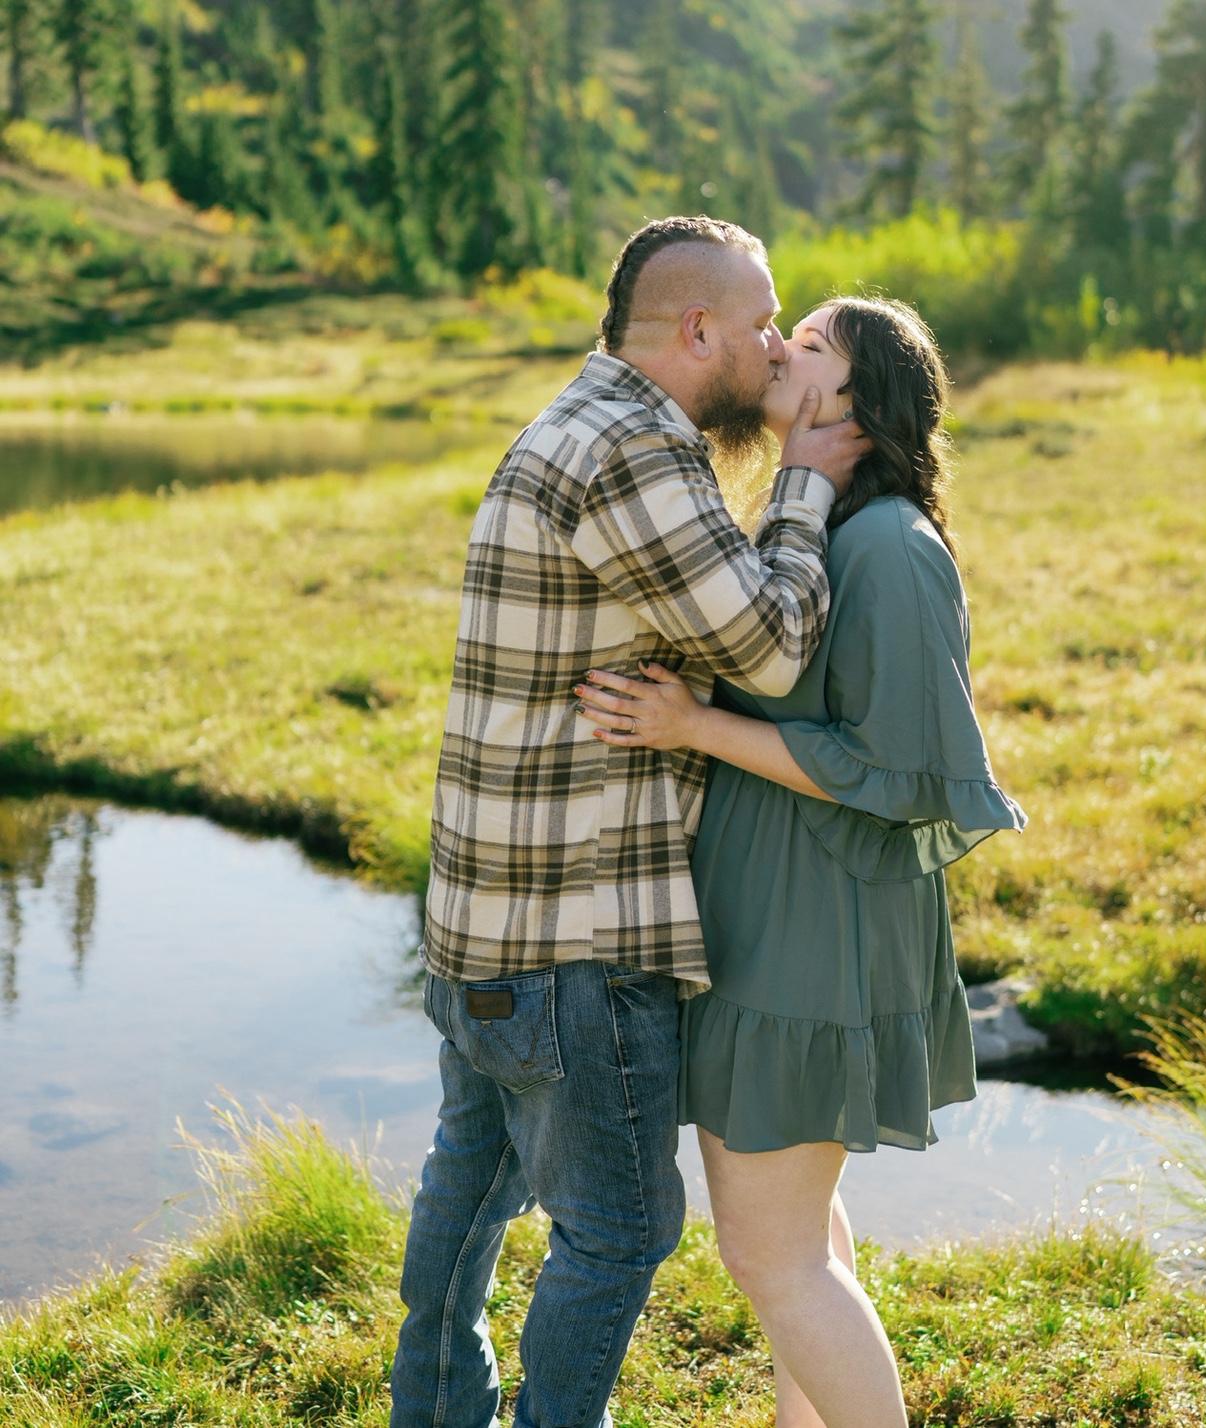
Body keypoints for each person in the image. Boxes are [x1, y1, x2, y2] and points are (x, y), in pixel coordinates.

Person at [388, 216, 868, 1428]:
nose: (775, 348)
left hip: (481, 928)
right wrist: (807, 481)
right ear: (698, 328)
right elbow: (770, 645)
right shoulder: (634, 449)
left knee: (471, 1190)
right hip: (577, 943)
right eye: (762, 323)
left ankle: (433, 1410)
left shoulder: (576, 418)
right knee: (620, 1229)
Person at [575, 297, 1027, 1428]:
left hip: (817, 930)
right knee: (800, 1231)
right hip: (773, 918)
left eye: (812, 344)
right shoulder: (819, 522)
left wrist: (694, 726)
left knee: (769, 1253)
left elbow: (900, 769)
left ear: (859, 406)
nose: (779, 347)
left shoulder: (891, 549)